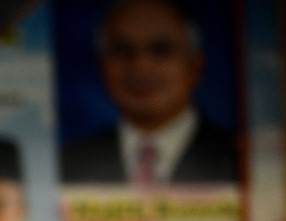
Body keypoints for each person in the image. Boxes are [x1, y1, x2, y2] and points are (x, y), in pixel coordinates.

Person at [60, 0, 237, 185]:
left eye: (161, 50)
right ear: (102, 66)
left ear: (195, 66)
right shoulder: (65, 164)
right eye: (123, 50)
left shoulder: (243, 161)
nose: (141, 67)